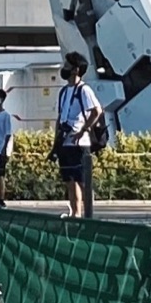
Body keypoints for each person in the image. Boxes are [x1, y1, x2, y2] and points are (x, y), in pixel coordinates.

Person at [54, 52, 102, 217]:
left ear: (75, 69)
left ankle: (89, 213)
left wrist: (83, 129)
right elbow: (60, 116)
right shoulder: (63, 91)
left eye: (67, 65)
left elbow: (97, 111)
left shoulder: (84, 90)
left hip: (80, 143)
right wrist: (56, 140)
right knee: (70, 180)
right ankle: (75, 213)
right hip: (65, 141)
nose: (64, 68)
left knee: (82, 180)